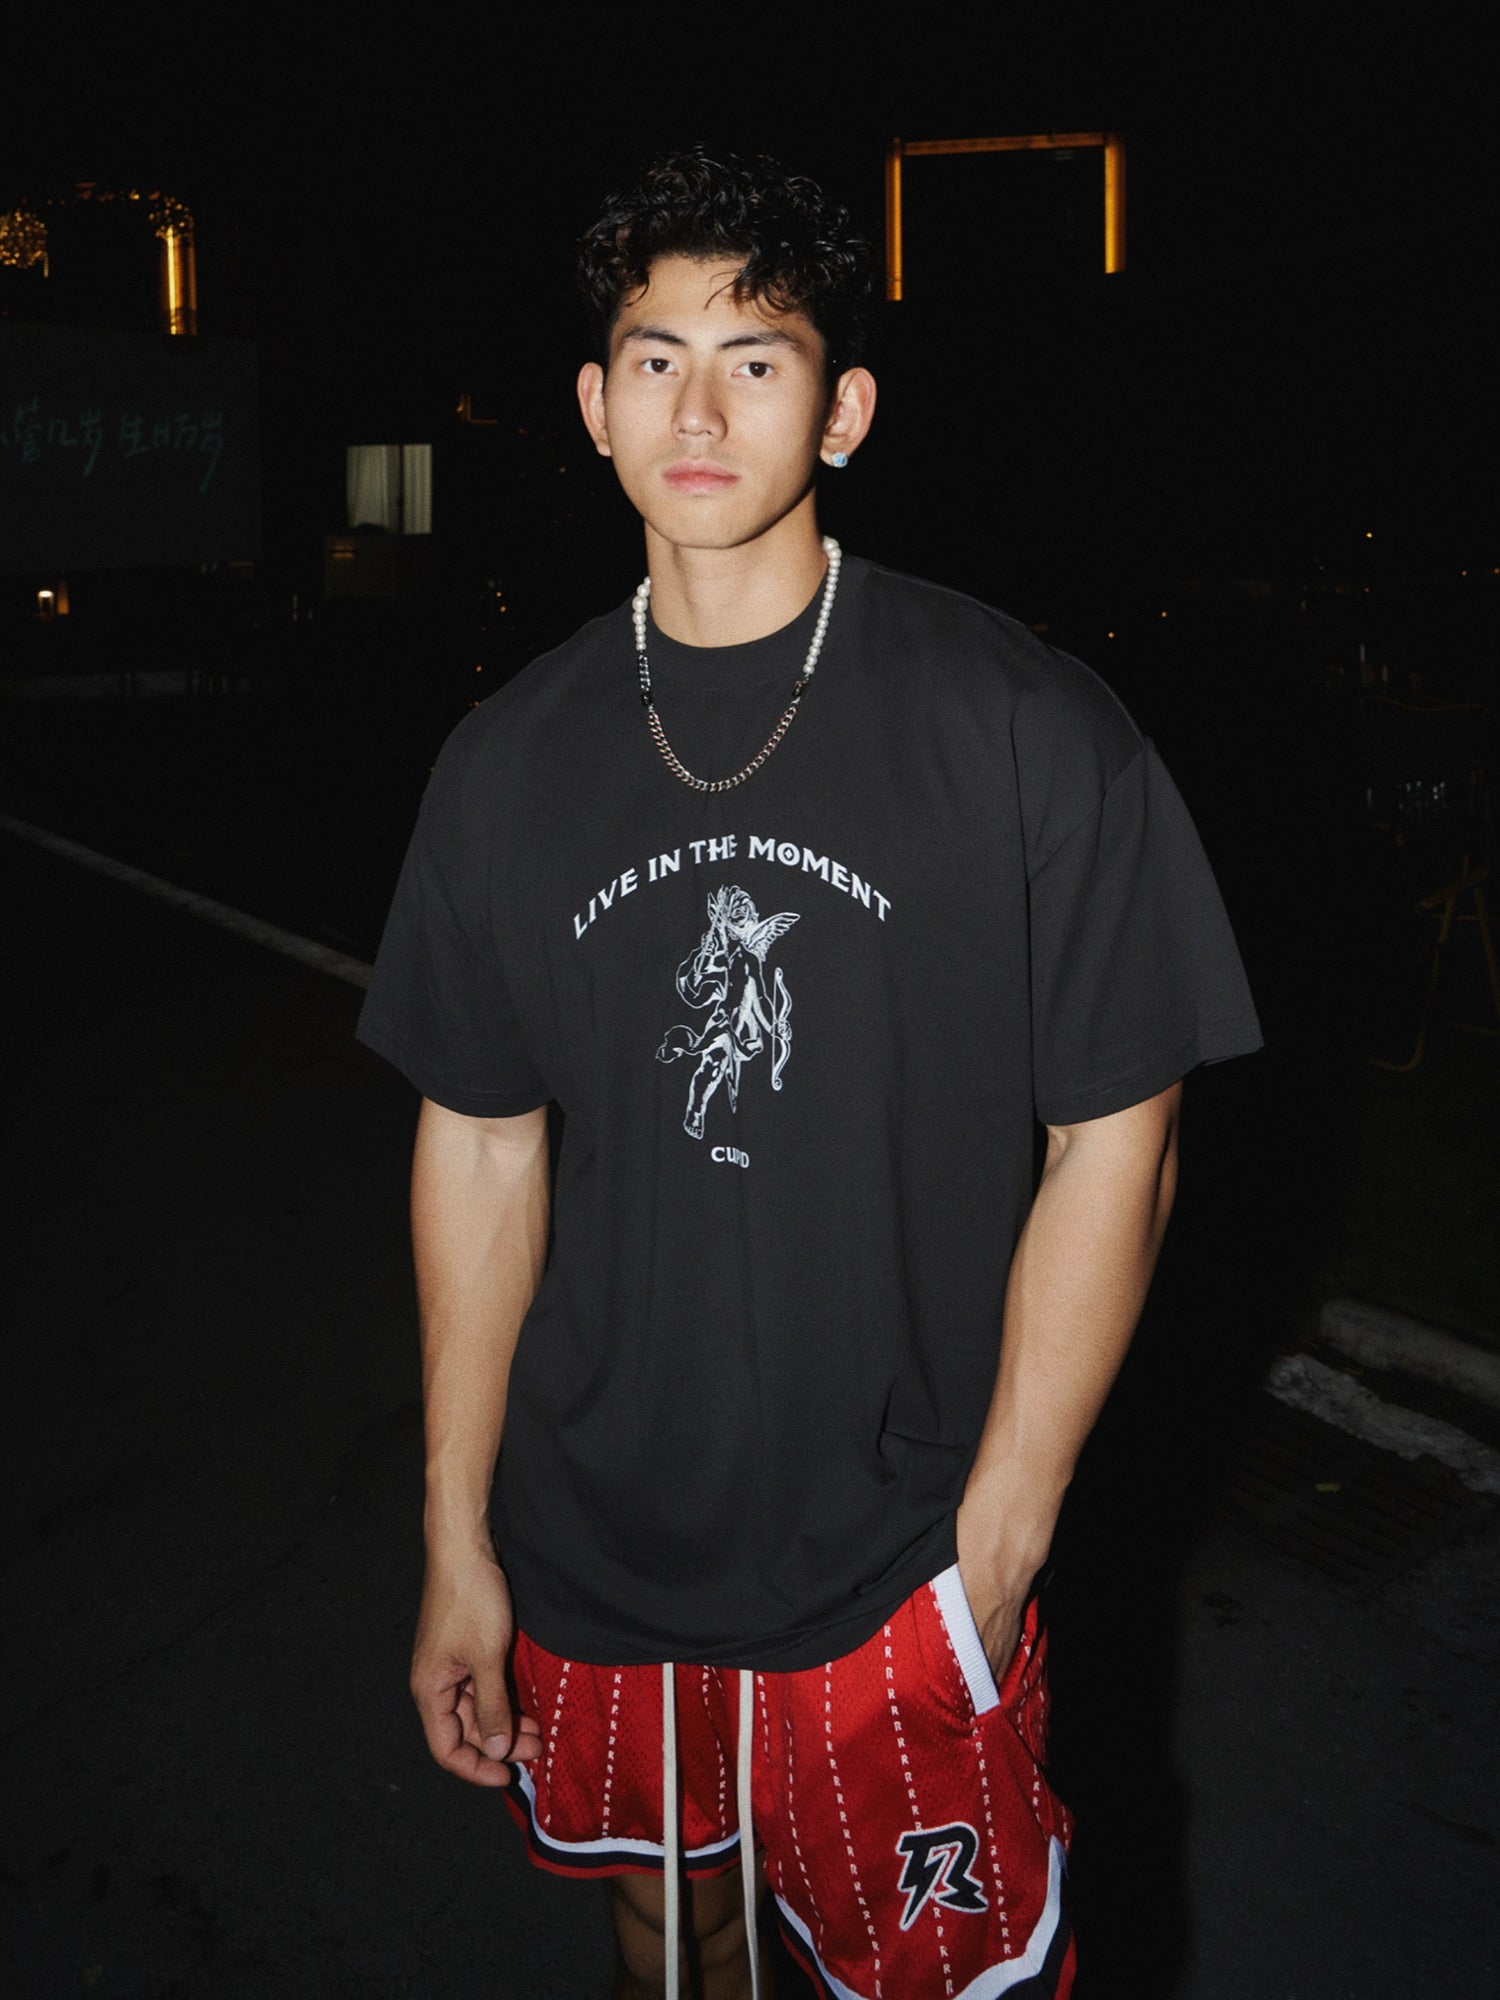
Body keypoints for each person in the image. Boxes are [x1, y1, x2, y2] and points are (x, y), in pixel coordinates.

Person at [357, 145, 1262, 2000]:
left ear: (842, 410)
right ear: (595, 405)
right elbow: (482, 1142)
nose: (698, 410)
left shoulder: (1021, 725)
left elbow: (1122, 1138)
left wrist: (996, 1547)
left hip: (900, 1557)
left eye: (755, 361)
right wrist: (457, 1536)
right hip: (596, 1545)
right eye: (657, 358)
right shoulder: (507, 764)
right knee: (669, 1931)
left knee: (937, 1976)